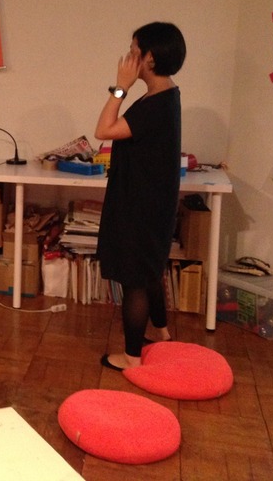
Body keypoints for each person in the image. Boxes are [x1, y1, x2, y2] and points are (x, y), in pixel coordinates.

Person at [95, 22, 186, 371]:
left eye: (134, 50)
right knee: (150, 270)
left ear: (150, 58)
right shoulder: (166, 96)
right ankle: (161, 333)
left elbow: (104, 130)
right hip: (151, 201)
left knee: (135, 277)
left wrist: (120, 87)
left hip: (141, 204)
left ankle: (132, 357)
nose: (128, 56)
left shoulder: (155, 104)